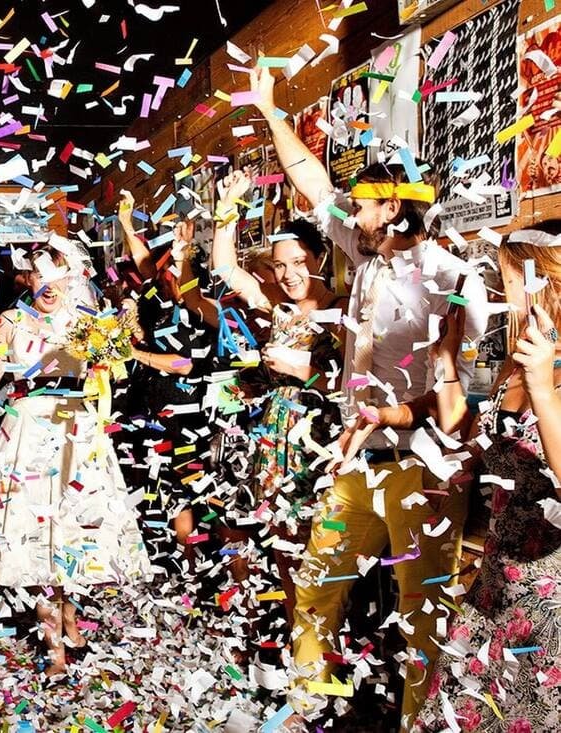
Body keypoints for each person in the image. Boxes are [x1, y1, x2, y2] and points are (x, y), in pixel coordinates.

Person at [249, 66, 489, 727]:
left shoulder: (451, 277)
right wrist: (270, 111)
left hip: (424, 469)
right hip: (359, 462)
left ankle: (416, 723)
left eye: (361, 205)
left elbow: (458, 390)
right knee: (315, 586)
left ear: (393, 209)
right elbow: (314, 185)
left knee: (421, 618)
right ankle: (308, 708)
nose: (349, 215)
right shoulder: (366, 257)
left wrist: (391, 415)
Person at [0, 241, 150, 675]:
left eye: (58, 275)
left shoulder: (88, 320)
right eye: (39, 275)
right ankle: (54, 647)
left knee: (72, 532)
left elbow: (117, 364)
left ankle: (69, 616)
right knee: (33, 533)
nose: (49, 285)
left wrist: (122, 328)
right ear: (28, 278)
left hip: (77, 431)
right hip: (28, 430)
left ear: (72, 277)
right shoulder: (11, 321)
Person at [414, 223, 561, 732]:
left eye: (507, 281)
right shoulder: (516, 364)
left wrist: (543, 388)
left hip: (551, 593)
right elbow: (464, 436)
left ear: (545, 282)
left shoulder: (543, 371)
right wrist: (446, 360)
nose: (498, 295)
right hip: (497, 582)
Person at [210, 170, 345, 623]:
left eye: (298, 262)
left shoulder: (342, 309)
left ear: (320, 257)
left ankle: (328, 641)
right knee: (283, 543)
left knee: (322, 547)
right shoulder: (278, 306)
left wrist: (300, 369)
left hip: (320, 440)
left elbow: (350, 384)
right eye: (280, 265)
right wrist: (228, 207)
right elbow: (226, 268)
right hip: (275, 438)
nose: (288, 274)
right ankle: (297, 635)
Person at [114, 193, 218, 575]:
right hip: (153, 408)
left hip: (186, 412)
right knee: (161, 491)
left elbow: (184, 364)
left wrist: (135, 353)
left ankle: (192, 571)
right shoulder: (158, 297)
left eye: (173, 267)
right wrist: (127, 225)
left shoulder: (197, 308)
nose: (164, 274)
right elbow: (145, 264)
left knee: (186, 492)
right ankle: (170, 570)